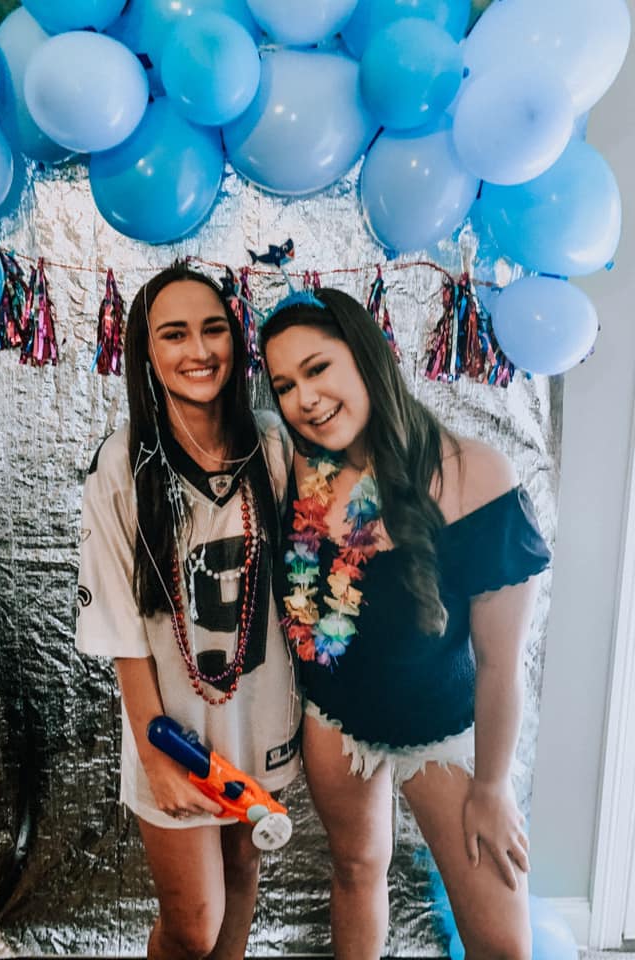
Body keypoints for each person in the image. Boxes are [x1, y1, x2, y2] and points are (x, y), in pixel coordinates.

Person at [260, 287, 551, 960]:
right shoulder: (299, 466)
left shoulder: (475, 475)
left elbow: (502, 665)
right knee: (356, 869)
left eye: (317, 368)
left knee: (502, 945)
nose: (304, 398)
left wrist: (490, 787)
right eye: (284, 385)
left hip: (443, 729)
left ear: (368, 359)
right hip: (336, 717)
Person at [75, 263, 301, 960]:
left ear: (236, 340)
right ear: (145, 351)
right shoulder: (123, 465)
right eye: (174, 334)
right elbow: (119, 626)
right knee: (194, 924)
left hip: (260, 716)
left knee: (241, 879)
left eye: (213, 330)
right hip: (174, 732)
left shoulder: (273, 445)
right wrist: (156, 757)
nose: (199, 351)